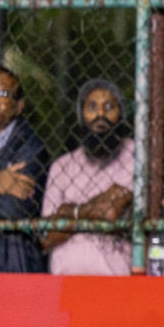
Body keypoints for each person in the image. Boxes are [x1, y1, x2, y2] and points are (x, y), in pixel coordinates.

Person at [41, 79, 134, 276]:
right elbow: (46, 236)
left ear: (121, 115)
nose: (100, 115)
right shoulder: (62, 166)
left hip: (117, 281)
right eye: (92, 107)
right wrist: (88, 211)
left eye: (109, 107)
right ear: (81, 115)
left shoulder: (134, 155)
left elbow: (110, 211)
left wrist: (68, 212)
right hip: (65, 283)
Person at [0, 66, 45, 273]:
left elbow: (14, 208)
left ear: (18, 106)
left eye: (3, 94)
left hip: (9, 269)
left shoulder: (31, 146)